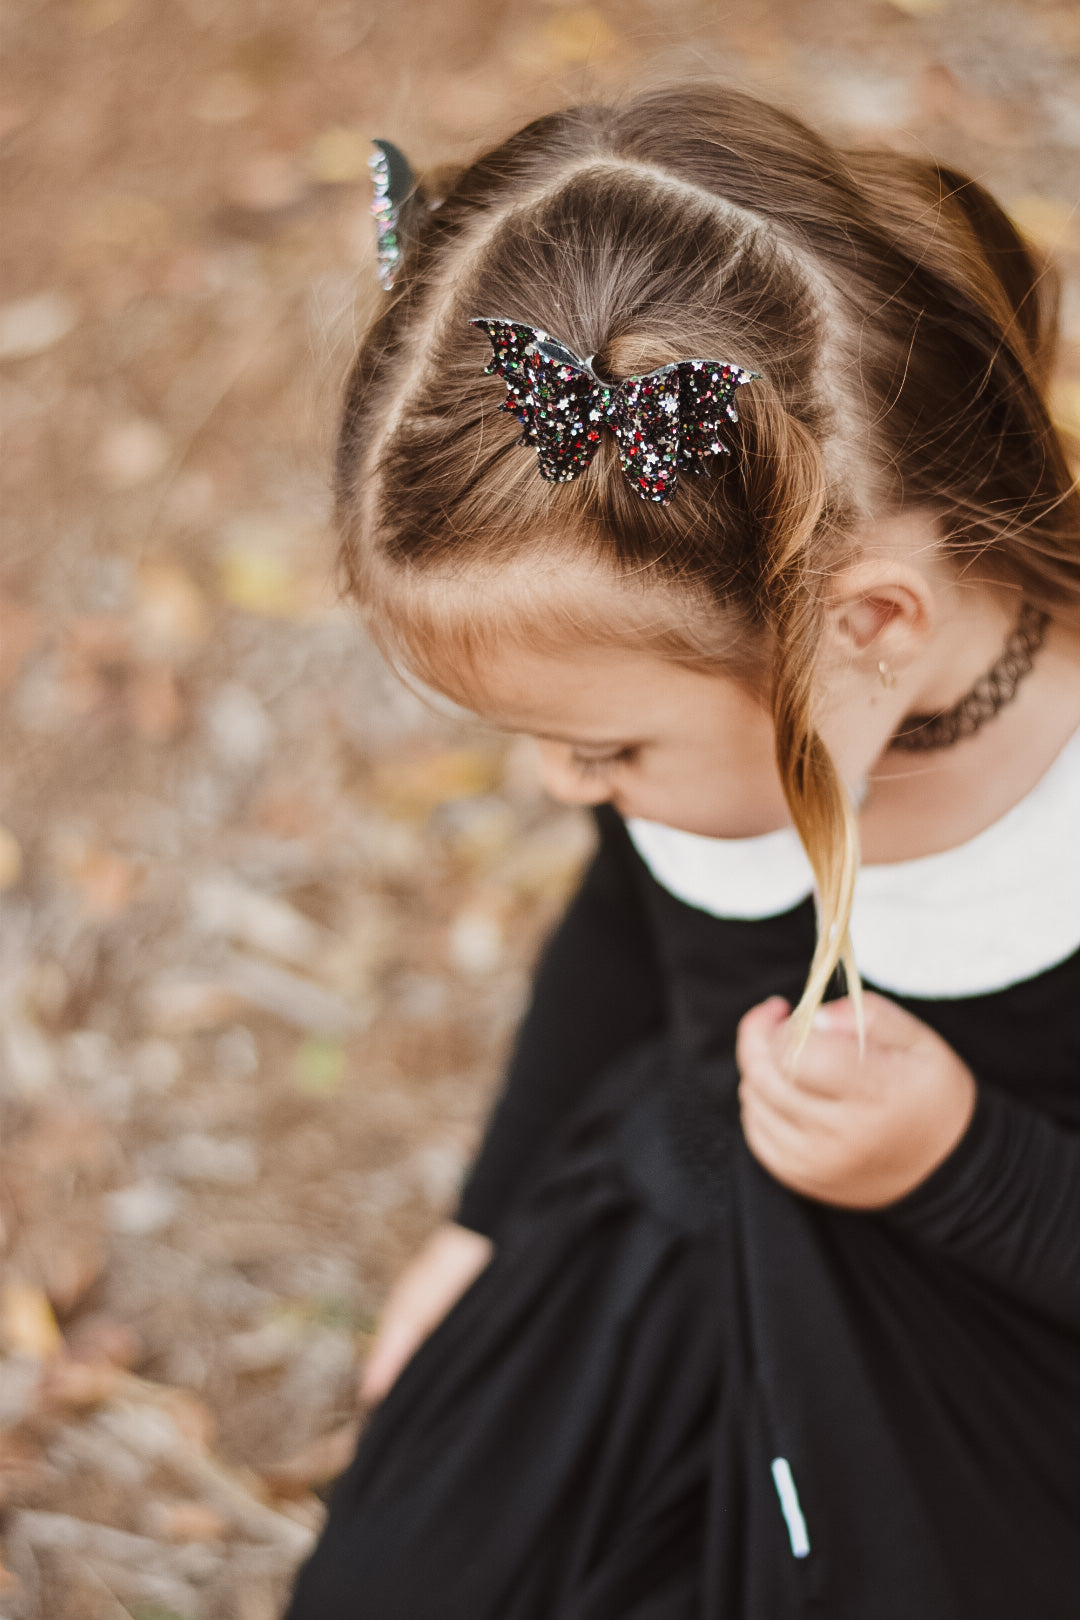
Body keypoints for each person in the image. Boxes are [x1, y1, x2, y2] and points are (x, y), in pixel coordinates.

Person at [284, 84, 1080, 1620]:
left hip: (979, 1381)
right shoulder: (719, 747)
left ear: (865, 631)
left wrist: (959, 1161)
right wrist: (486, 1222)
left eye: (605, 752)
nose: (564, 793)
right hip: (668, 1251)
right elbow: (617, 950)